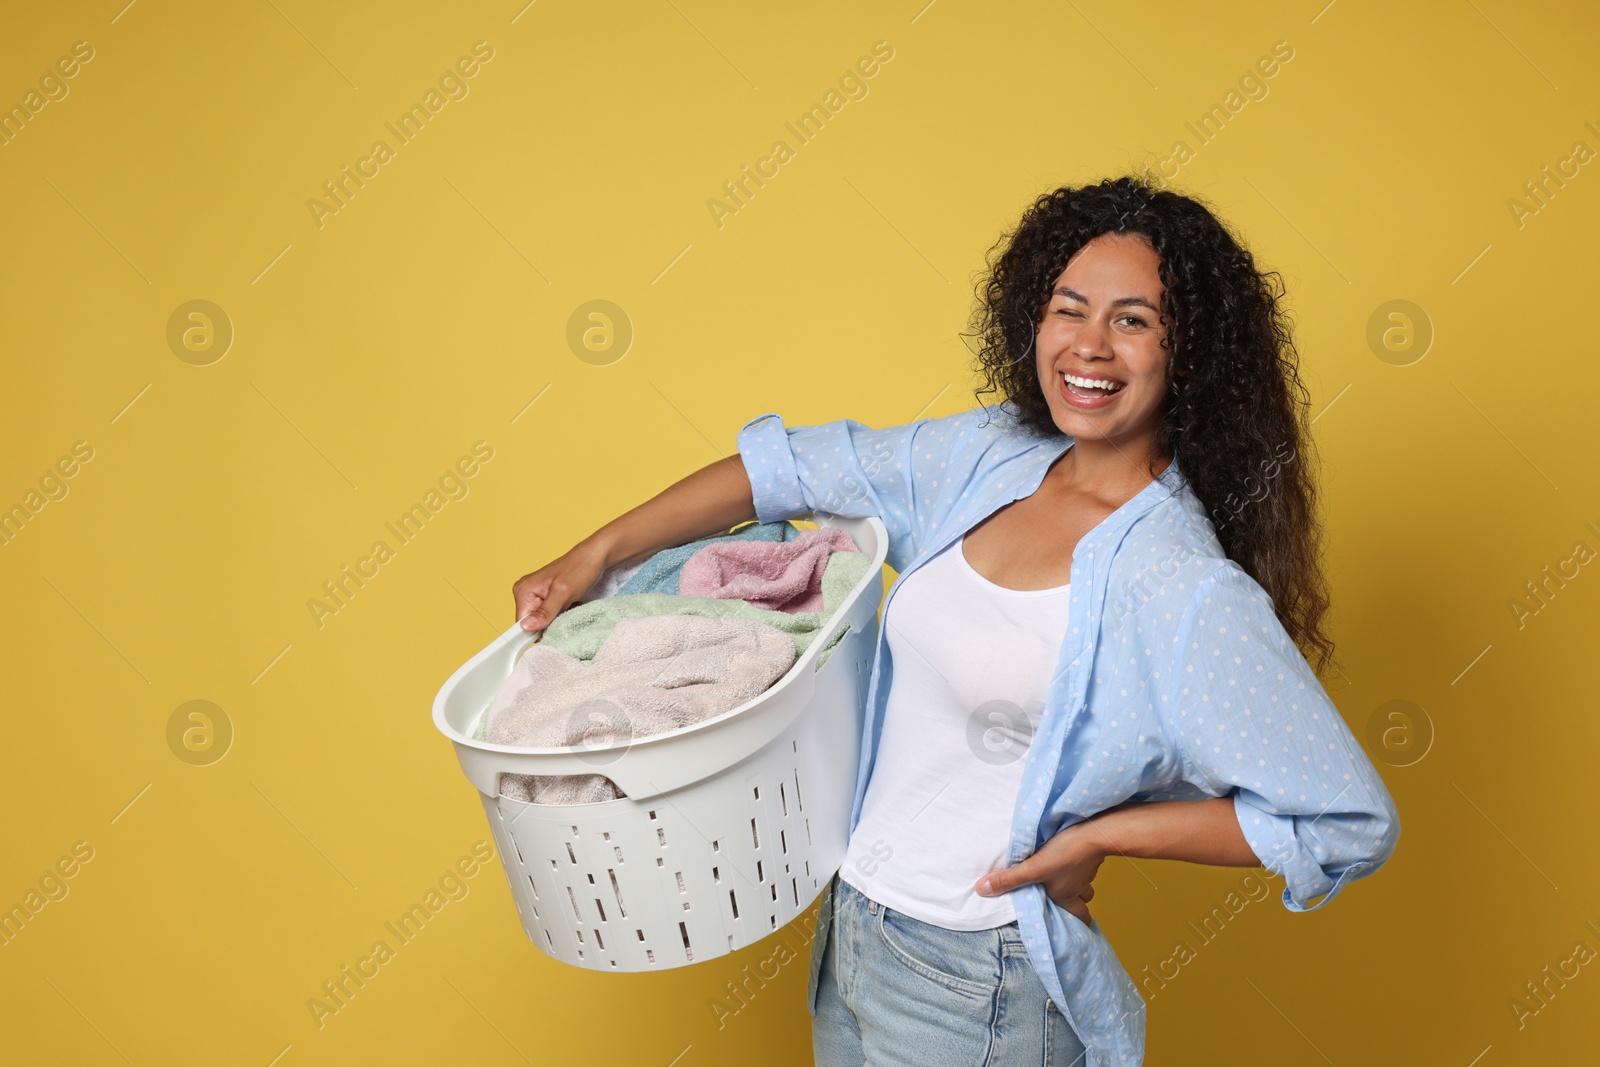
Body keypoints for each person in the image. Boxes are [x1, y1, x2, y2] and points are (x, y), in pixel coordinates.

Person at [510, 175, 1401, 1066]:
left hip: (980, 976)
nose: (1089, 344)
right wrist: (593, 553)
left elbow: (1344, 820)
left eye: (1133, 320)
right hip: (852, 924)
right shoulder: (988, 455)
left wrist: (1102, 835)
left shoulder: (1178, 581)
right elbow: (789, 467)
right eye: (1069, 307)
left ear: (1189, 353)